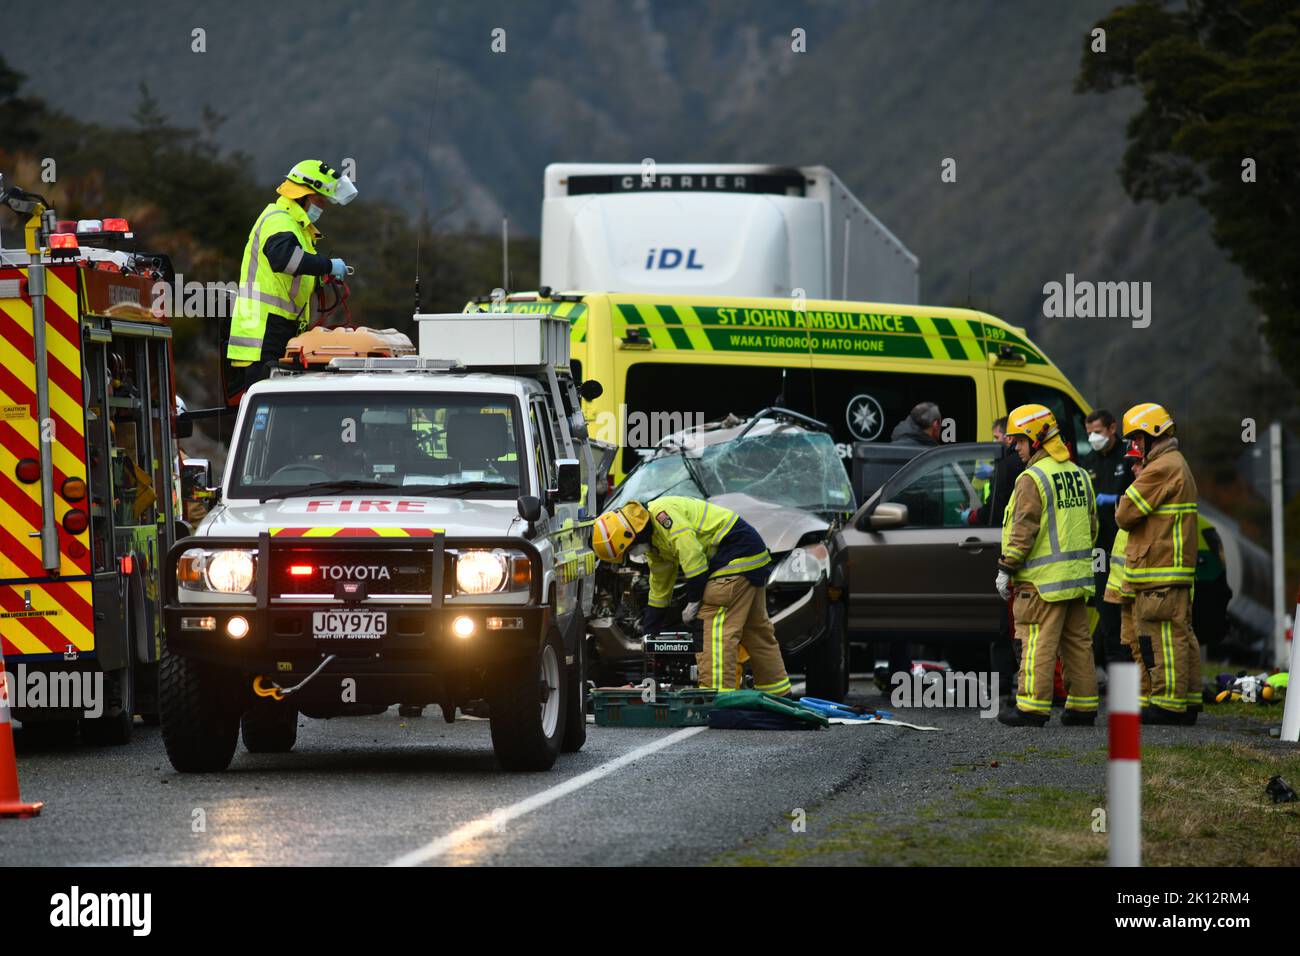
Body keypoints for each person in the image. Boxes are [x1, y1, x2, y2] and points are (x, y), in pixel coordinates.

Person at [591, 497, 792, 696]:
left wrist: (694, 603)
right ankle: (778, 693)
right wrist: (649, 631)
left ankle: (716, 696)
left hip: (734, 554)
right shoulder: (655, 542)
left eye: (628, 550)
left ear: (631, 535)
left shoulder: (664, 516)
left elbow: (694, 561)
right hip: (749, 555)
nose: (632, 554)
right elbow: (660, 588)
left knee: (711, 629)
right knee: (756, 631)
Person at [994, 404, 1099, 727]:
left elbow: (1023, 530)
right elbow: (1092, 526)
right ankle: (1082, 706)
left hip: (1040, 582)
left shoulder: (1032, 478)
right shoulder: (1079, 475)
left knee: (1035, 640)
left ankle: (1031, 707)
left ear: (1037, 440)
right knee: (1077, 643)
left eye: (1021, 443)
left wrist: (1006, 567)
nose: (1018, 450)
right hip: (1076, 579)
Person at [225, 160, 357, 401]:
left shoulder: (297, 226)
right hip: (263, 332)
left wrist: (321, 276)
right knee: (266, 410)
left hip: (278, 329)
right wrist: (328, 265)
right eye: (319, 200)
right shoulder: (279, 220)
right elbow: (284, 259)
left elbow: (292, 273)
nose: (322, 207)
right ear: (303, 195)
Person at [1114, 403, 1201, 725]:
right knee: (1181, 634)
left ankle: (1167, 703)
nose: (1134, 449)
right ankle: (1187, 700)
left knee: (1162, 637)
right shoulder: (1176, 463)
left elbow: (1124, 514)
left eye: (1136, 440)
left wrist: (1124, 495)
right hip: (1170, 568)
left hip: (1160, 569)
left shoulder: (1161, 467)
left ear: (1152, 435)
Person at [1083, 410, 1135, 666]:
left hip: (1127, 546)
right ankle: (1115, 672)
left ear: (1112, 428)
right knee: (1106, 609)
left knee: (1127, 612)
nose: (1093, 437)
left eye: (1098, 432)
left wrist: (1114, 500)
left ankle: (1130, 671)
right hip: (1101, 548)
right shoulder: (1089, 460)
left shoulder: (1129, 457)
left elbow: (1139, 496)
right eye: (1089, 433)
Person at [1107, 444, 1149, 705]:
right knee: (1131, 642)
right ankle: (1140, 694)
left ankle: (1145, 695)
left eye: (1137, 462)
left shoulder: (1145, 492)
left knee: (1142, 642)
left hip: (1137, 583)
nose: (1132, 468)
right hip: (1124, 583)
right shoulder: (1138, 490)